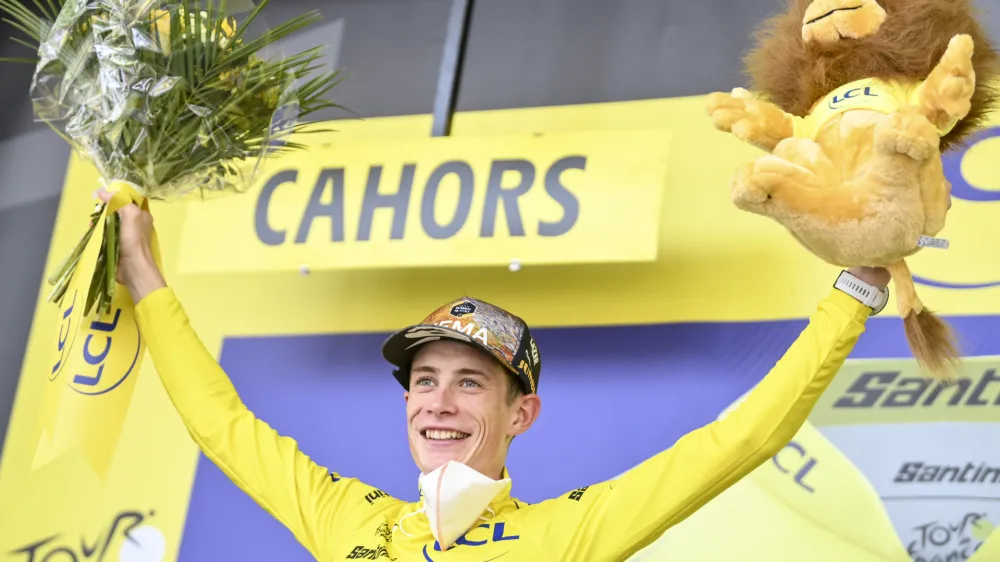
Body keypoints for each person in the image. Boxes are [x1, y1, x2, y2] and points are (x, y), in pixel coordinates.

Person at [100, 188, 891, 561]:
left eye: (472, 383)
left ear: (523, 415)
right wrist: (145, 276)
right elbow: (220, 425)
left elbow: (740, 440)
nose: (438, 403)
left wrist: (854, 295)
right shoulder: (348, 519)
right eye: (425, 379)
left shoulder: (568, 533)